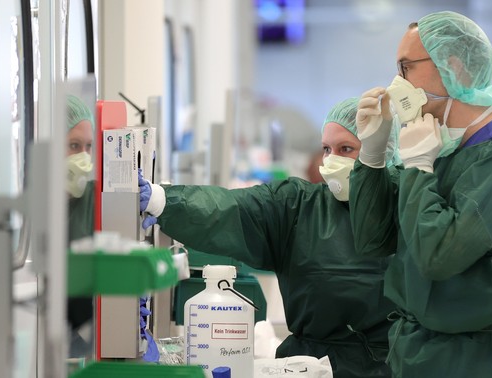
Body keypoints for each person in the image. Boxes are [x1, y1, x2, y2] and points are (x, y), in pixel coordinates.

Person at [349, 11, 492, 378]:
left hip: (478, 359)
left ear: (455, 69)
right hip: (416, 351)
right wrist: (372, 157)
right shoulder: (438, 148)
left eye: (405, 67)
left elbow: (439, 256)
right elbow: (372, 238)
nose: (396, 83)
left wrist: (417, 167)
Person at [139, 97, 398, 377]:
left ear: (380, 150)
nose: (332, 161)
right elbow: (232, 209)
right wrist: (166, 201)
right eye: (326, 149)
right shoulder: (299, 208)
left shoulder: (405, 210)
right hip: (309, 368)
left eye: (346, 149)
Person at [65, 94, 95, 358]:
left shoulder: (92, 199)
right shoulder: (31, 204)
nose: (84, 157)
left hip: (82, 336)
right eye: (74, 146)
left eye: (89, 147)